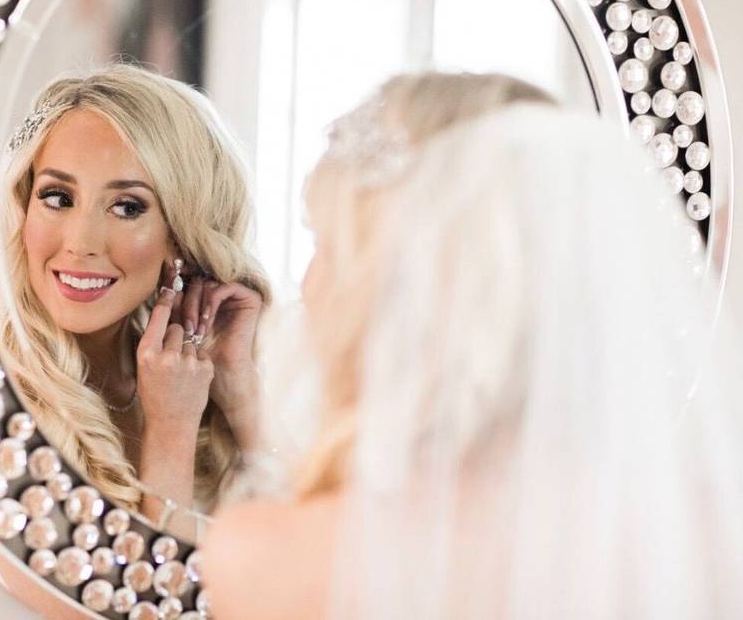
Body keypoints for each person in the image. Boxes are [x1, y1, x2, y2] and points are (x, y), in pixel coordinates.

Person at [202, 72, 743, 619]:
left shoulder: (270, 557)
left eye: (327, 244)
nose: (309, 280)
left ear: (394, 281)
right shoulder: (699, 535)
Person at [0, 63, 271, 526]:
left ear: (180, 237)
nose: (80, 242)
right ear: (23, 205)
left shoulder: (184, 381)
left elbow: (313, 568)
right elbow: (133, 598)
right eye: (57, 197)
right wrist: (170, 434)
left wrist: (241, 396)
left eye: (126, 206)